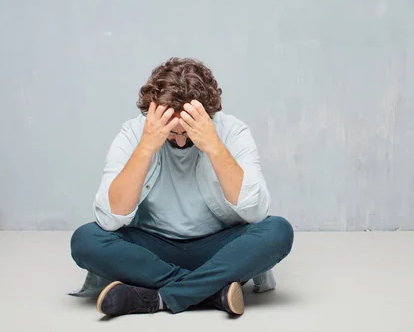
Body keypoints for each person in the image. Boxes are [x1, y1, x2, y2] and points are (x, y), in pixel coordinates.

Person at [70, 57, 294, 317]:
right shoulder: (133, 133)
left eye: (186, 134)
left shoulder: (232, 131)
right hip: (151, 249)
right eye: (171, 134)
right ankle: (211, 292)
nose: (178, 143)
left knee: (278, 231)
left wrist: (212, 144)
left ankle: (157, 298)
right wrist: (146, 146)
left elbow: (255, 212)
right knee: (86, 239)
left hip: (217, 248)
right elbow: (109, 219)